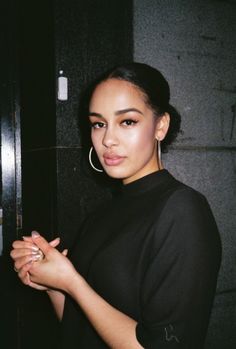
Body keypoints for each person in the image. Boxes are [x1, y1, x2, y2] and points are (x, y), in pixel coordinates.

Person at [11, 63, 221, 348]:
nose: (107, 139)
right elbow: (81, 329)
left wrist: (72, 282)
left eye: (127, 121)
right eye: (98, 124)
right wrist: (52, 283)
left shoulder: (182, 210)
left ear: (161, 125)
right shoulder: (103, 213)